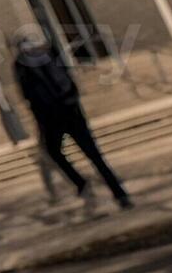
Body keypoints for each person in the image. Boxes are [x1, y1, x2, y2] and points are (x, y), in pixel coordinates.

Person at [13, 37, 133, 208]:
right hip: (67, 112)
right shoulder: (48, 57)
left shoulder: (26, 65)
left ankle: (85, 185)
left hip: (56, 116)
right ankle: (118, 194)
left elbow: (33, 94)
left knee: (59, 152)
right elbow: (65, 83)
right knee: (93, 156)